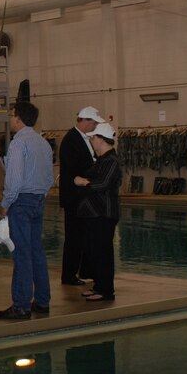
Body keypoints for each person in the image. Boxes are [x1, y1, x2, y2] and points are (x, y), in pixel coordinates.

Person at [0, 101, 54, 320]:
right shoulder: (43, 143)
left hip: (21, 202)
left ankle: (21, 305)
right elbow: (49, 178)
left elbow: (15, 179)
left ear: (18, 117)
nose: (11, 119)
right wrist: (40, 196)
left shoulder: (18, 143)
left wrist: (6, 202)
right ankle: (42, 301)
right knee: (36, 252)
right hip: (38, 200)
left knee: (21, 253)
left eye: (12, 115)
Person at [75, 122, 123, 302]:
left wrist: (83, 183)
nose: (92, 141)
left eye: (93, 138)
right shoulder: (102, 161)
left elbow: (102, 185)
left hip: (104, 214)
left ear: (102, 140)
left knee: (103, 252)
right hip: (95, 214)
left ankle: (106, 290)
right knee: (94, 250)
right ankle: (98, 285)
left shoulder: (111, 161)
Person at [59, 106, 104, 285]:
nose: (94, 125)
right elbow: (72, 169)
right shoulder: (71, 140)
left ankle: (84, 270)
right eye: (93, 122)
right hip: (74, 198)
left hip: (83, 198)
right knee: (74, 237)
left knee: (84, 236)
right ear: (84, 121)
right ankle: (68, 275)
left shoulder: (84, 139)